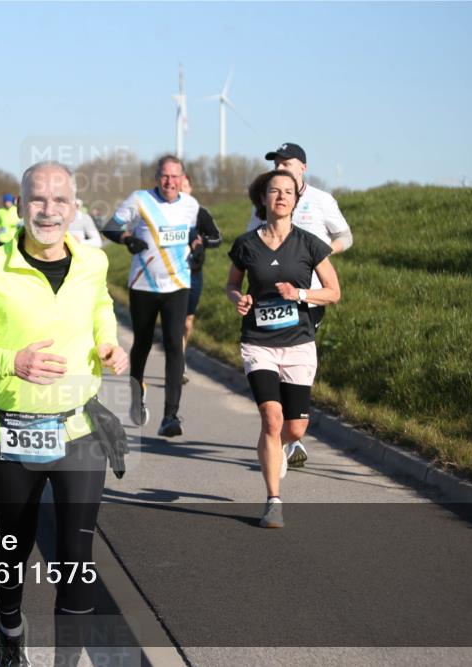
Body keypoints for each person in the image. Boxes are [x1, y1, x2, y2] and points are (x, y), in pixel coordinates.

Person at [0, 161, 129, 666]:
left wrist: (109, 343)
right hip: (16, 437)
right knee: (12, 551)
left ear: (74, 208)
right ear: (20, 207)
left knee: (75, 560)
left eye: (60, 200)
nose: (49, 210)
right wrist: (10, 361)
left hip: (80, 432)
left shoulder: (92, 262)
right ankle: (10, 632)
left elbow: (101, 308)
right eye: (38, 200)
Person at [226, 169, 340, 528]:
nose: (281, 197)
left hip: (299, 344)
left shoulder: (309, 244)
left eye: (288, 192)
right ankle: (273, 500)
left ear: (295, 199)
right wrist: (238, 299)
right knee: (271, 420)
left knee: (295, 429)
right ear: (263, 199)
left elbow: (334, 292)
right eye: (274, 191)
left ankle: (282, 449)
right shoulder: (246, 244)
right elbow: (231, 285)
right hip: (258, 343)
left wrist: (301, 294)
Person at [247, 143, 353, 468]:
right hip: (271, 296)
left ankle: (291, 432)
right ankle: (280, 424)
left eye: (287, 162)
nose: (281, 166)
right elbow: (250, 243)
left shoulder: (322, 200)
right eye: (277, 163)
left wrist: (318, 255)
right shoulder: (265, 202)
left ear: (302, 167)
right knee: (274, 358)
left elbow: (346, 237)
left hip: (311, 295)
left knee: (295, 353)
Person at [102, 155, 198, 437]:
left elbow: (199, 233)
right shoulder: (140, 199)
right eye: (165, 176)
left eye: (175, 176)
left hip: (178, 284)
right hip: (143, 285)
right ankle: (136, 393)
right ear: (158, 178)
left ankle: (171, 415)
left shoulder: (191, 205)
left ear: (183, 178)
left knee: (173, 344)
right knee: (142, 343)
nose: (170, 182)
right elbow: (110, 227)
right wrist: (127, 240)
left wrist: (199, 246)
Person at [179, 172, 222, 385]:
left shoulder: (200, 212)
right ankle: (178, 365)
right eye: (177, 186)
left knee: (187, 321)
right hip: (172, 274)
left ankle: (180, 355)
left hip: (194, 272)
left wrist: (201, 241)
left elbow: (218, 238)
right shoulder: (166, 213)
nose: (180, 189)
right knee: (177, 320)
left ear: (191, 189)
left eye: (184, 185)